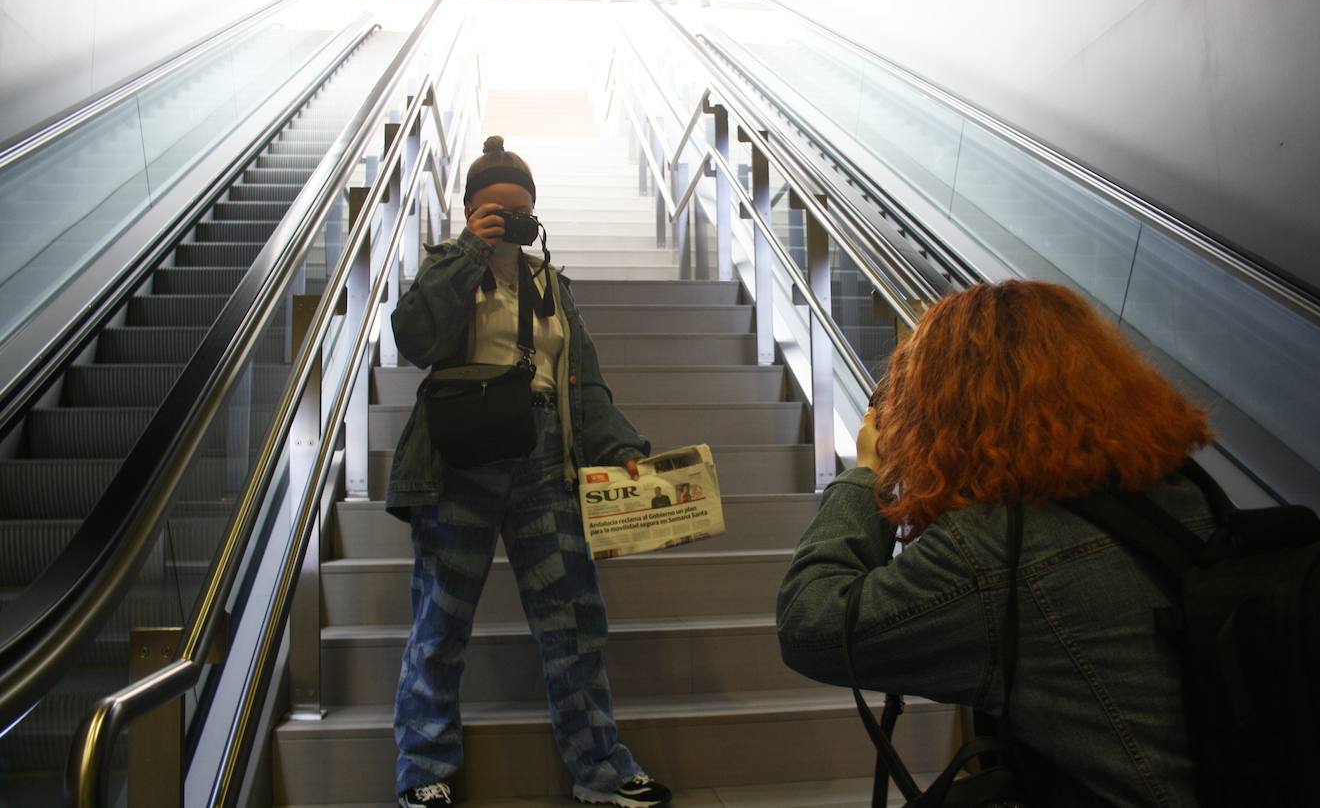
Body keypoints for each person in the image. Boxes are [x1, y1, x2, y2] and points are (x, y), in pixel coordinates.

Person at [776, 280, 1213, 808]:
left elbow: (814, 626)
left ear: (943, 408)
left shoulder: (999, 549)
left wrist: (869, 472)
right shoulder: (1185, 493)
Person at [386, 136, 673, 808]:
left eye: (517, 211)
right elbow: (414, 341)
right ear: (467, 212)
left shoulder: (551, 286)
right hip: (462, 458)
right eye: (491, 210)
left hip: (545, 458)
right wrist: (468, 254)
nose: (505, 220)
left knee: (573, 617)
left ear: (535, 213)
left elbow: (585, 383)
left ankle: (600, 766)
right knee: (441, 619)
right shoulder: (448, 270)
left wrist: (619, 447)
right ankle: (423, 770)